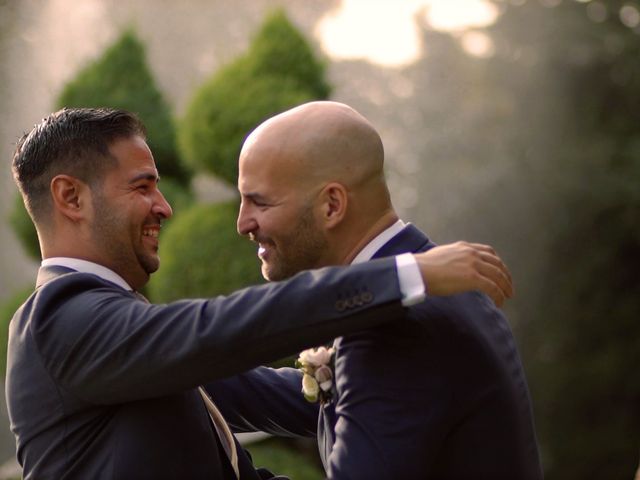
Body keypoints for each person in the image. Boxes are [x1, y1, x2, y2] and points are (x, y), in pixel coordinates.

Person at [6, 107, 514, 480]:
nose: (165, 206)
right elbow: (219, 329)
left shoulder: (120, 343)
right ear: (71, 197)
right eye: (142, 187)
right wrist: (402, 276)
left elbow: (248, 397)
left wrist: (356, 377)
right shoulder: (59, 319)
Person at [207, 101, 543, 479]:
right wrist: (182, 381)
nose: (242, 223)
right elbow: (350, 400)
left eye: (260, 201)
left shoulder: (391, 330)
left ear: (331, 205)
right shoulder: (428, 279)